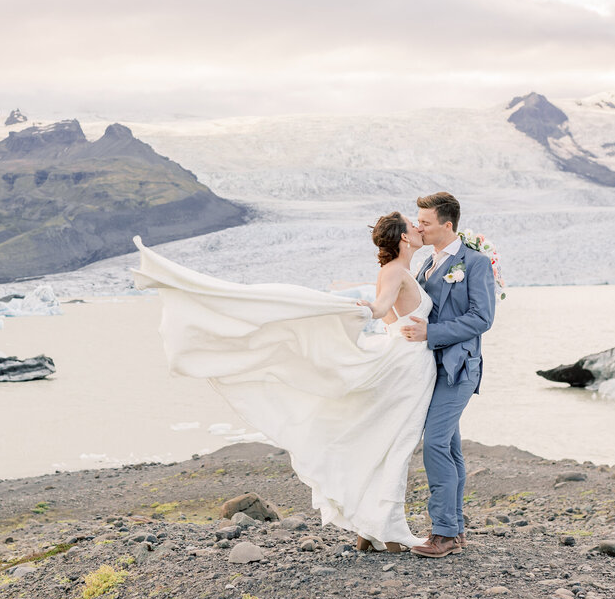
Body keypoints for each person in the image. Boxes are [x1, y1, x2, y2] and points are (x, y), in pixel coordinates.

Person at [130, 212, 436, 551]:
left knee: (387, 443)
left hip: (409, 362)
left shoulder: (404, 270)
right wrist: (361, 310)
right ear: (404, 238)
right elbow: (380, 310)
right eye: (414, 225)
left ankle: (373, 528)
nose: (420, 228)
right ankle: (389, 529)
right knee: (395, 446)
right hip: (407, 364)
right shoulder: (394, 271)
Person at [400, 192, 497, 558]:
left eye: (424, 222)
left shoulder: (474, 263)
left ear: (447, 225)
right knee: (451, 447)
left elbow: (481, 318)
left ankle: (441, 533)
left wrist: (432, 334)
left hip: (459, 368)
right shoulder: (426, 263)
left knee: (436, 443)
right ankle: (454, 531)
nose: (419, 226)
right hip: (430, 371)